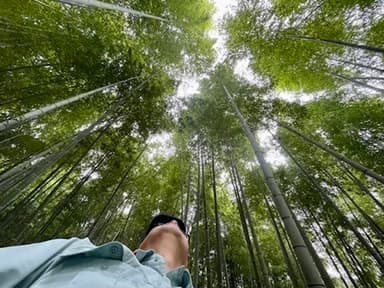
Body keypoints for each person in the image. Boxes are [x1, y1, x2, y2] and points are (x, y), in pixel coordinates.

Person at [0, 214, 192, 288]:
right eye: (162, 223)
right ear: (135, 250)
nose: (174, 222)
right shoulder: (75, 250)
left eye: (181, 229)